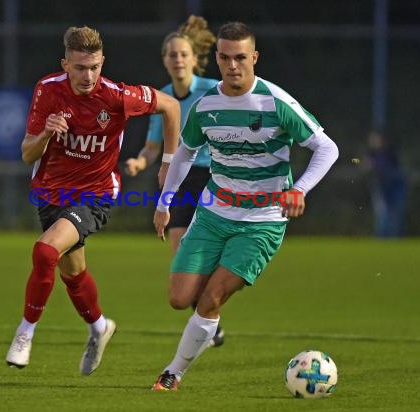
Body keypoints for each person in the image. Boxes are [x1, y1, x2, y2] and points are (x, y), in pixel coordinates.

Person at [150, 21, 339, 391]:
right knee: (179, 298)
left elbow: (327, 148)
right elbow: (185, 153)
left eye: (241, 57)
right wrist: (164, 203)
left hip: (261, 222)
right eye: (225, 57)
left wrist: (298, 189)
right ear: (217, 58)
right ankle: (206, 322)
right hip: (212, 214)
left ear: (254, 57)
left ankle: (172, 373)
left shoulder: (275, 101)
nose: (233, 65)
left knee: (209, 299)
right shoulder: (206, 106)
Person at [6, 26, 180, 375]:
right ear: (65, 65)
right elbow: (28, 154)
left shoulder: (117, 96)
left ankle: (25, 333)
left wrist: (167, 164)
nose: (89, 76)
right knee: (73, 273)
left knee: (44, 251)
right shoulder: (48, 91)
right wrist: (45, 133)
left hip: (96, 194)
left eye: (95, 67)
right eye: (81, 67)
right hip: (52, 193)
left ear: (102, 63)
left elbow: (171, 106)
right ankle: (99, 327)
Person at [124, 15, 225, 348]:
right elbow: (154, 145)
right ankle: (207, 318)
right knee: (182, 252)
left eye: (184, 53)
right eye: (172, 55)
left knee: (211, 252)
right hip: (177, 180)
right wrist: (141, 160)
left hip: (212, 176)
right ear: (165, 60)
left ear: (194, 58)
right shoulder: (163, 98)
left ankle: (208, 314)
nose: (178, 59)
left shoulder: (213, 91)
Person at [365, 130, 407, 237]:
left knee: (396, 212)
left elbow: (394, 169)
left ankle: (396, 236)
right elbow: (368, 168)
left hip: (395, 185)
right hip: (381, 186)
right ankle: (382, 237)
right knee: (383, 213)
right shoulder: (372, 154)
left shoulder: (390, 152)